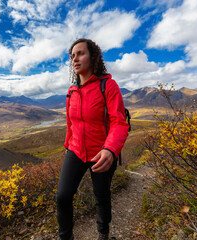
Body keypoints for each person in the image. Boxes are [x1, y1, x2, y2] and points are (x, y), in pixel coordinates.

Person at [56, 38, 129, 240]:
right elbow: (71, 124)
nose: (75, 59)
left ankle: (103, 234)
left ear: (93, 56)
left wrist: (111, 149)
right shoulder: (71, 91)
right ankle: (65, 237)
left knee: (101, 196)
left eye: (80, 53)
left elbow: (119, 122)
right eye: (72, 56)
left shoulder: (108, 86)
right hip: (76, 151)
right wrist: (68, 146)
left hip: (102, 153)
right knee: (62, 196)